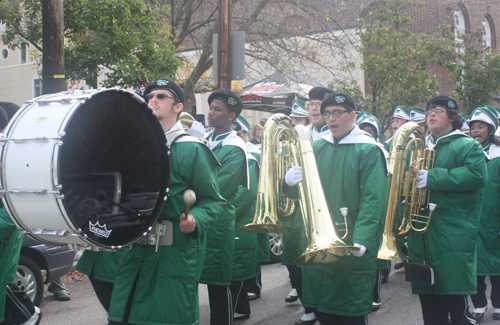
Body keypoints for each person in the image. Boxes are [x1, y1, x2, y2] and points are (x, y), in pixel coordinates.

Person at [107, 78, 225, 325]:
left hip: (175, 255)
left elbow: (214, 202)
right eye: (149, 95)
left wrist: (196, 219)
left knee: (168, 319)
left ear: (178, 107)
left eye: (161, 96)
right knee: (124, 318)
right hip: (137, 253)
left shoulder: (192, 150)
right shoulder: (137, 149)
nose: (152, 99)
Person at [283, 92, 388, 325]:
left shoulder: (369, 150)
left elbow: (373, 200)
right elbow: (305, 195)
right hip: (319, 245)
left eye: (337, 113)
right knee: (323, 311)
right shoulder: (317, 147)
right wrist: (288, 184)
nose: (331, 119)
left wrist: (362, 239)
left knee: (349, 314)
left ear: (352, 115)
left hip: (350, 242)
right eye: (327, 113)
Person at [407, 95, 487, 325]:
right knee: (430, 310)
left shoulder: (467, 145)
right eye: (429, 110)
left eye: (438, 110)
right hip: (422, 234)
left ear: (452, 117)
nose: (430, 114)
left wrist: (433, 177)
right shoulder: (421, 146)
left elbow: (477, 175)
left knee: (454, 302)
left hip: (451, 234)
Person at [201, 89, 248, 325]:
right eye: (210, 108)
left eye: (217, 109)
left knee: (219, 286)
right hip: (197, 219)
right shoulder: (203, 141)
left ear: (231, 116)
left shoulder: (235, 148)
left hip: (218, 224)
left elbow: (220, 189)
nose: (210, 113)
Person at [279, 99, 316, 325]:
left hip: (320, 207)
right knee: (293, 258)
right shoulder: (289, 141)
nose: (295, 123)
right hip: (296, 209)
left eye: (299, 119)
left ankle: (319, 305)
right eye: (293, 120)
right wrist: (285, 181)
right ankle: (308, 304)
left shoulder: (322, 137)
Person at [467, 106, 500, 321]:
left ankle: (498, 304)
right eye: (473, 127)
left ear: (491, 129)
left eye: (481, 126)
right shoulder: (467, 153)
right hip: (471, 220)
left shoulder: (498, 156)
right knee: (473, 264)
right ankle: (478, 304)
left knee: (498, 265)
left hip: (495, 219)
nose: (476, 131)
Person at [357, 113, 391, 312]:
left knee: (376, 257)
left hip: (379, 206)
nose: (366, 134)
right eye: (363, 131)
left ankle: (375, 295)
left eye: (370, 132)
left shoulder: (381, 151)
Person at [231, 116, 260, 320]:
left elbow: (246, 194)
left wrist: (222, 213)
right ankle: (241, 308)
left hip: (238, 220)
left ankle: (236, 308)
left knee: (237, 268)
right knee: (232, 269)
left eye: (237, 132)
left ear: (243, 134)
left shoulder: (249, 159)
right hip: (228, 219)